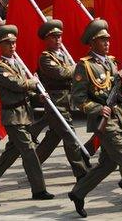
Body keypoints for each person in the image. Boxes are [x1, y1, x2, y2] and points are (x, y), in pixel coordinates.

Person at [67, 18, 122, 217]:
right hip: (104, 120)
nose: (107, 43)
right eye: (102, 40)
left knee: (108, 164)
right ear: (92, 42)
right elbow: (78, 98)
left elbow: (115, 91)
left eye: (108, 39)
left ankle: (78, 192)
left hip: (119, 116)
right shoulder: (85, 66)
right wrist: (97, 109)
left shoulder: (110, 62)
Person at [0, 24, 52, 199]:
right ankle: (39, 189)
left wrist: (37, 96)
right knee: (30, 152)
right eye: (8, 43)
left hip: (24, 114)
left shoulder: (18, 64)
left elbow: (25, 90)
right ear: (0, 46)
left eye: (14, 42)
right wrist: (33, 82)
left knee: (11, 153)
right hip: (13, 117)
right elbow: (17, 85)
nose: (12, 46)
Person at [33, 19, 89, 180]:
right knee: (70, 136)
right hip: (55, 103)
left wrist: (71, 68)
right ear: (46, 39)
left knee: (53, 137)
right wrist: (76, 67)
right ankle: (81, 172)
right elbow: (61, 73)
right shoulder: (45, 58)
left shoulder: (63, 55)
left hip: (66, 101)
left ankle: (32, 163)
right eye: (53, 37)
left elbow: (68, 72)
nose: (58, 39)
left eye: (59, 36)